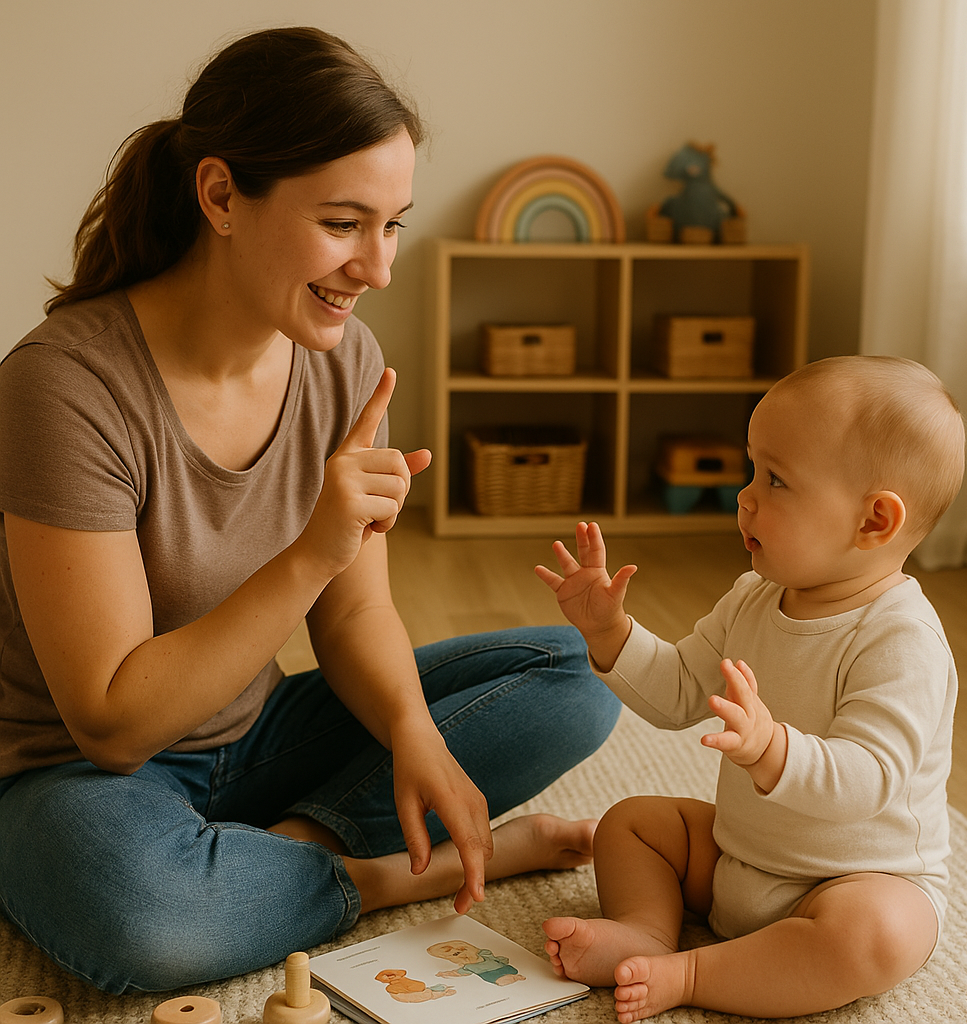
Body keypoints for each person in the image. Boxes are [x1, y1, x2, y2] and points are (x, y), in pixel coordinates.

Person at [0, 27, 620, 995]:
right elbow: (111, 723)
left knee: (580, 674)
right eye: (343, 224)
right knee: (141, 918)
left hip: (254, 733)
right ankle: (368, 874)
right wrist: (311, 549)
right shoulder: (66, 386)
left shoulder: (344, 364)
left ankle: (267, 854)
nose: (376, 268)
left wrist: (414, 734)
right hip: (79, 777)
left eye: (393, 225)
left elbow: (357, 615)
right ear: (220, 198)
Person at [534, 355, 965, 1021]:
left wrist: (772, 748)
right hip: (741, 856)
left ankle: (693, 972)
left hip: (852, 879)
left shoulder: (901, 639)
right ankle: (646, 932)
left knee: (879, 934)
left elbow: (872, 777)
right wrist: (611, 632)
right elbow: (679, 690)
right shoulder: (754, 597)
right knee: (634, 823)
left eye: (776, 479)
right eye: (751, 468)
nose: (745, 495)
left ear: (874, 522)